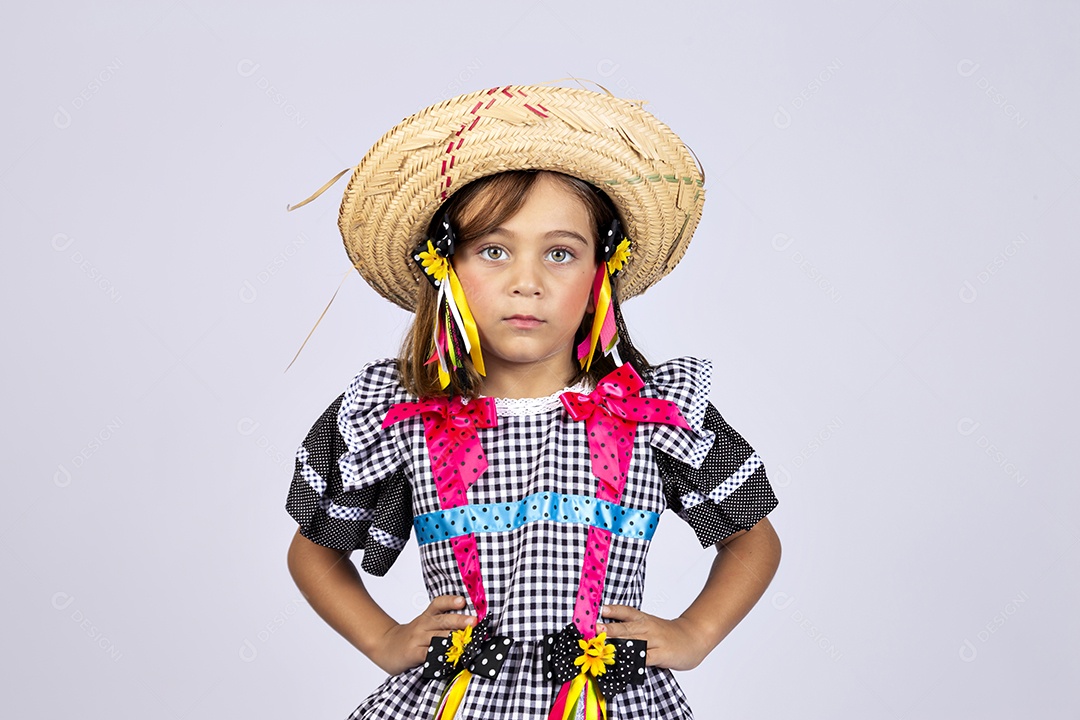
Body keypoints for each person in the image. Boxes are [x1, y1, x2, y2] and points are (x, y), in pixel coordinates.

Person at [284, 84, 782, 720]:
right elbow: (314, 550)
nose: (527, 281)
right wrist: (385, 640)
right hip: (455, 700)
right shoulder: (400, 414)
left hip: (609, 699)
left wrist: (695, 634)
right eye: (494, 250)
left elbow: (753, 538)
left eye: (560, 253)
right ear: (447, 268)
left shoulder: (653, 410)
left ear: (600, 272)